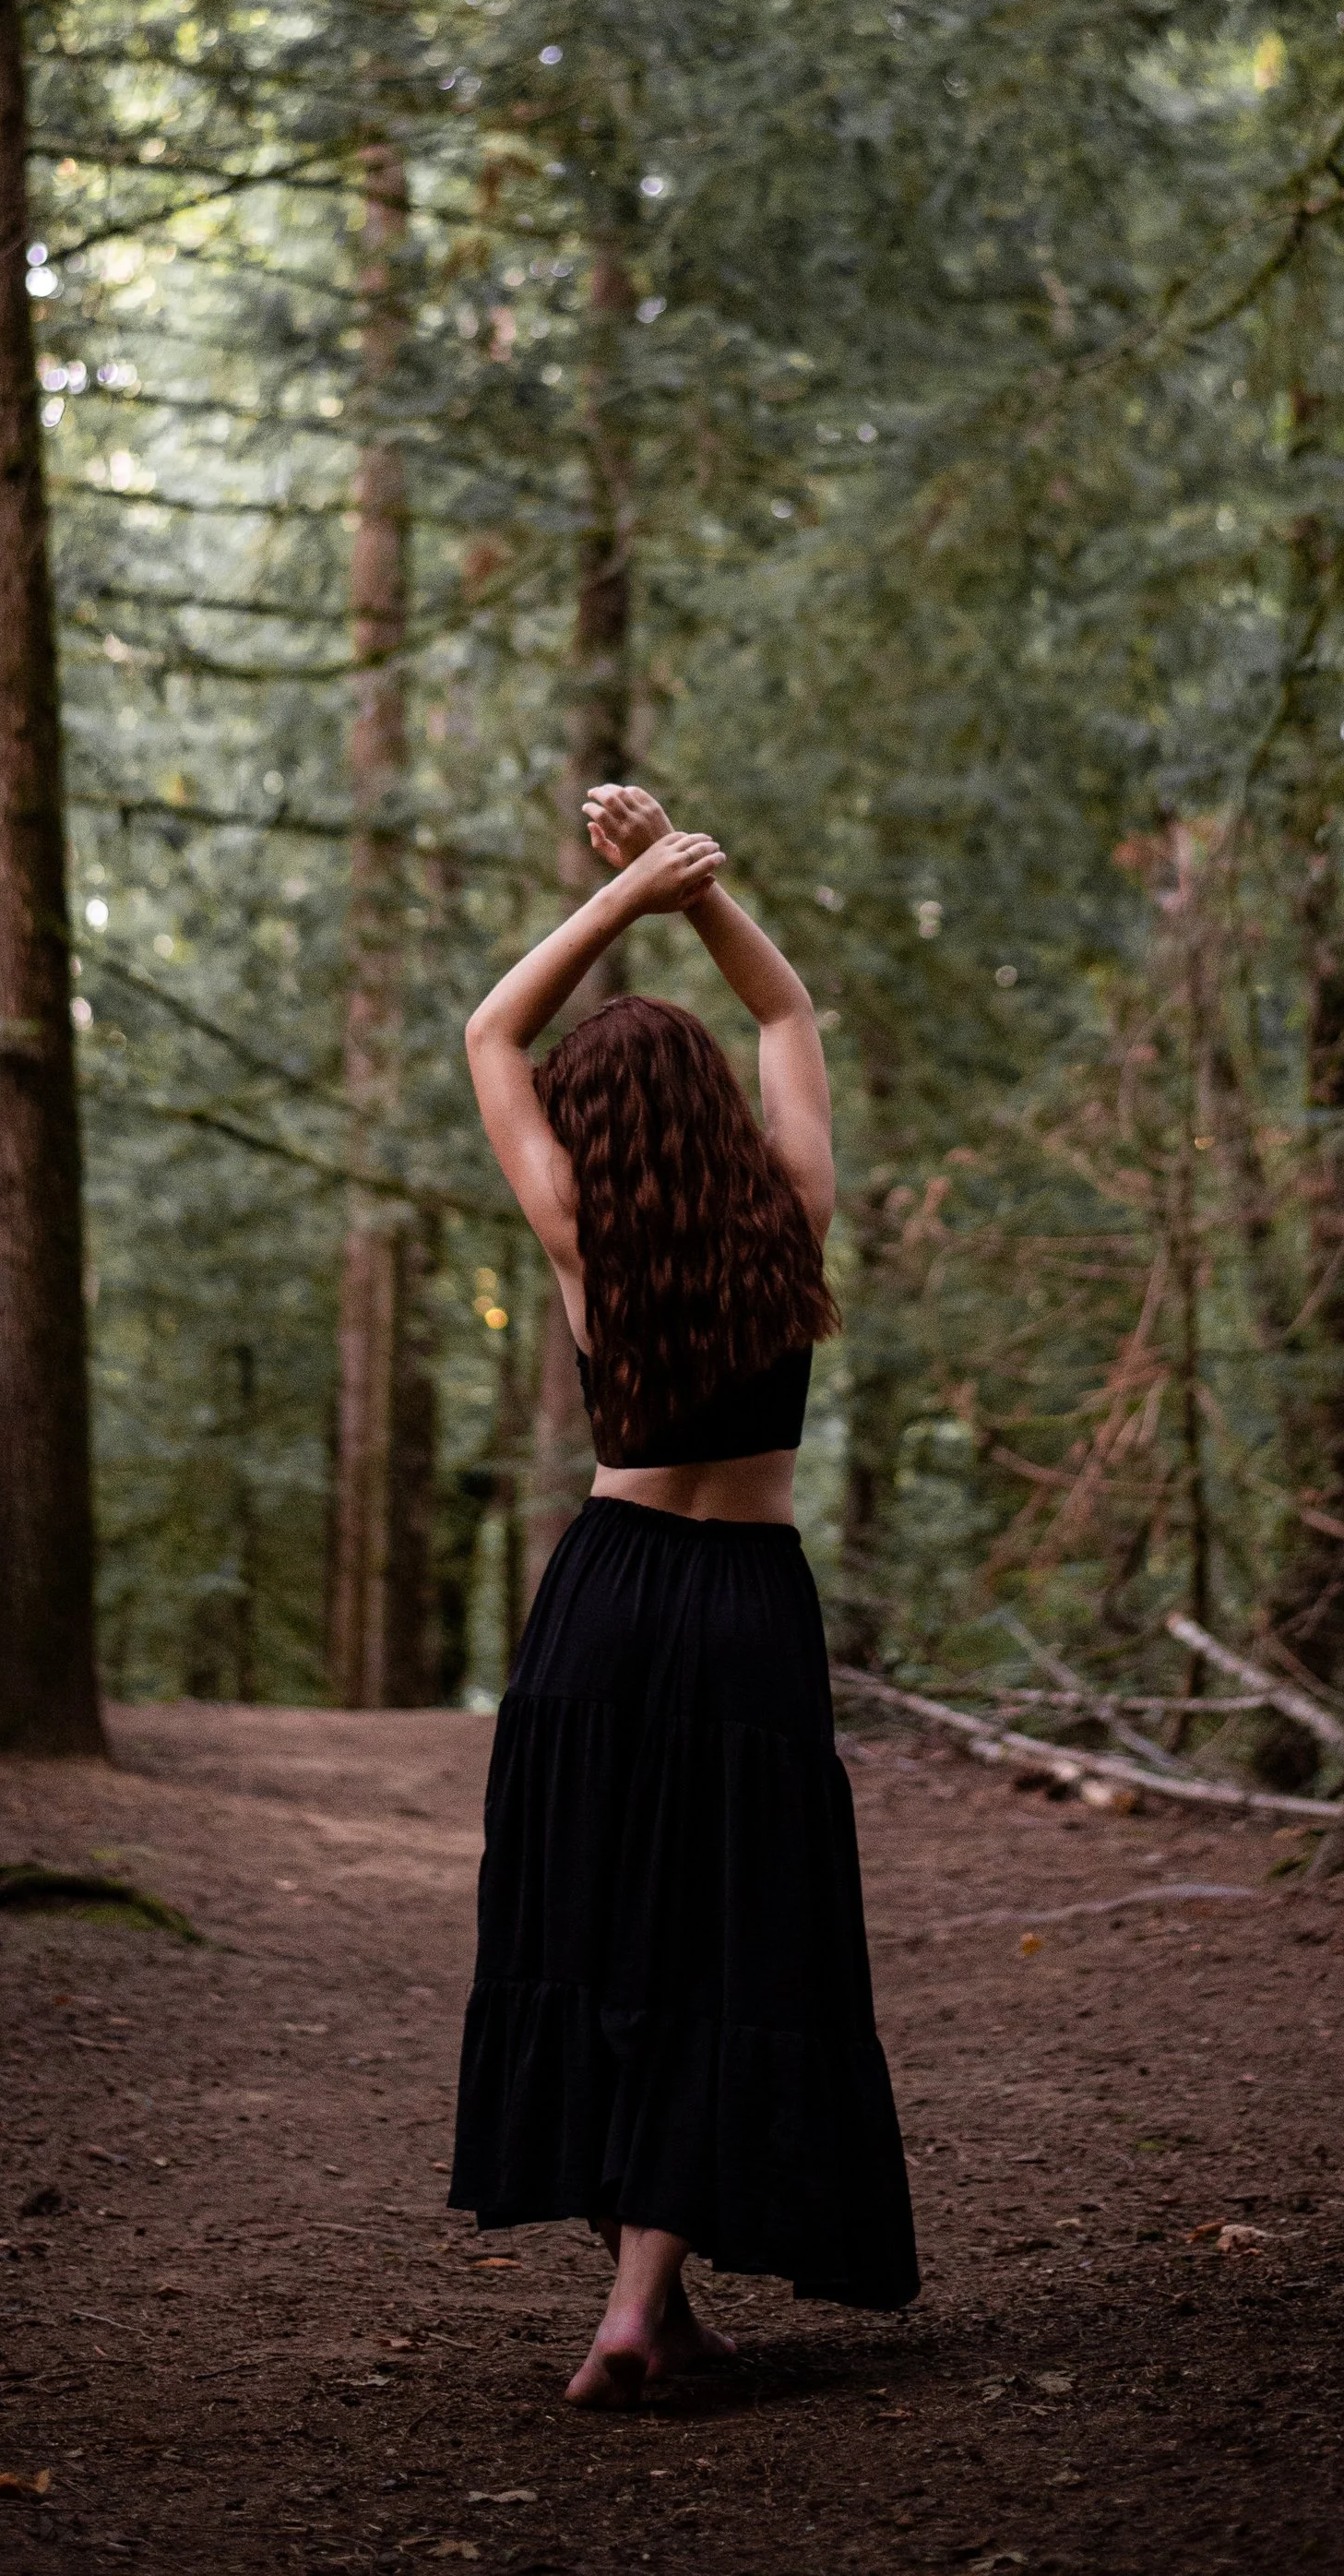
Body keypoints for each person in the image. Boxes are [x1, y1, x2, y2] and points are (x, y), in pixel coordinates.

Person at [448, 781, 919, 2406]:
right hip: (746, 1608)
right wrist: (697, 890)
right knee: (728, 1932)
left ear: (595, 1130)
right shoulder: (786, 1214)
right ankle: (653, 2301)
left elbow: (489, 1035)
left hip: (607, 1600)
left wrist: (622, 902)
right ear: (712, 1108)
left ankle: (640, 2302)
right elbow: (785, 1003)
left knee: (600, 1926)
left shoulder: (586, 1234)